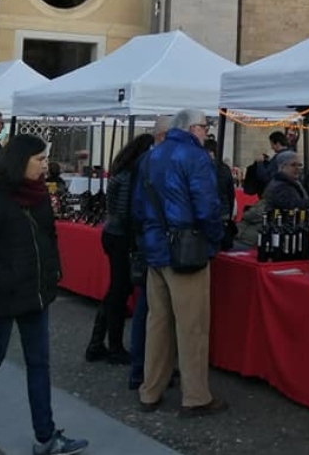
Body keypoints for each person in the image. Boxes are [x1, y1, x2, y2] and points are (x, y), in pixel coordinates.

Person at [0, 134, 89, 455]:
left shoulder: (39, 195)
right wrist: (6, 280)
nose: (45, 165)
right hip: (2, 296)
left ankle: (46, 436)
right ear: (21, 160)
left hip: (36, 294)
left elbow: (49, 236)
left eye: (45, 159)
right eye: (39, 159)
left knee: (39, 364)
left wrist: (53, 271)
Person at [132, 109, 226, 416]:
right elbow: (207, 207)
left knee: (157, 323)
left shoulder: (150, 156)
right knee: (192, 327)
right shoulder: (195, 157)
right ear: (191, 128)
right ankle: (195, 396)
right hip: (186, 250)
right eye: (204, 126)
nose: (206, 132)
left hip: (155, 248)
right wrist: (214, 239)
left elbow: (137, 206)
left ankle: (150, 390)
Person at [85, 133, 154, 365]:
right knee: (119, 290)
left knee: (117, 289)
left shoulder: (121, 170)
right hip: (121, 236)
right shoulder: (131, 174)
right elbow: (125, 211)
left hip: (113, 233)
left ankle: (97, 343)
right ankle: (113, 346)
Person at [128, 116, 170, 391]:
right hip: (155, 242)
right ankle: (143, 369)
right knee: (150, 308)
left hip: (149, 238)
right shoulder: (155, 161)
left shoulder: (146, 161)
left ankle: (146, 368)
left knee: (151, 308)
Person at [203, 138, 237, 250]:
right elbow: (231, 193)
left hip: (210, 212)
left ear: (210, 152)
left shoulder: (204, 168)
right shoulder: (226, 169)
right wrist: (230, 212)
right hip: (224, 211)